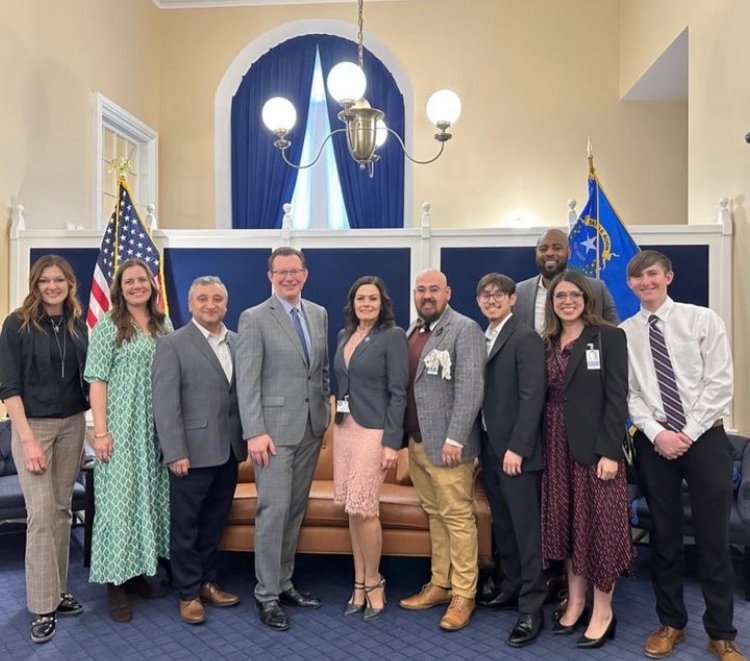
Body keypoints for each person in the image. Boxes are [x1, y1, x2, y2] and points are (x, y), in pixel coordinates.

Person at [620, 251, 745, 661]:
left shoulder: (702, 320)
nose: (645, 283)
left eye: (652, 274)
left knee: (713, 539)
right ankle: (671, 623)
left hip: (704, 438)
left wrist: (685, 434)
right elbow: (630, 395)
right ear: (630, 285)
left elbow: (720, 382)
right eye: (637, 278)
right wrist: (658, 434)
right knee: (665, 538)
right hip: (654, 443)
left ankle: (722, 633)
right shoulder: (624, 333)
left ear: (668, 276)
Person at [235, 247, 330, 632]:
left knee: (294, 510)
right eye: (281, 272)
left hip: (310, 428)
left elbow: (319, 371)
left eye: (295, 271)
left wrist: (322, 410)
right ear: (270, 276)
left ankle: (285, 582)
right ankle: (266, 595)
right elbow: (247, 380)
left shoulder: (318, 313)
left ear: (305, 274)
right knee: (273, 511)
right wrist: (255, 430)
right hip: (271, 433)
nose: (289, 277)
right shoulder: (254, 318)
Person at [541, 270, 632, 650]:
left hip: (596, 449)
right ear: (552, 302)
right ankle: (576, 602)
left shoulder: (608, 336)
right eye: (560, 295)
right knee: (568, 524)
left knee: (599, 526)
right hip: (555, 445)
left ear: (587, 298)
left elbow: (617, 397)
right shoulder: (546, 342)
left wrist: (611, 451)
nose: (567, 301)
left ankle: (603, 611)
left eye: (574, 295)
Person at [0, 255, 89, 644]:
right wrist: (27, 439)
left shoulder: (77, 324)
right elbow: (9, 388)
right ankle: (41, 606)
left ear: (70, 284)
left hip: (72, 425)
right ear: (35, 285)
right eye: (45, 281)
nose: (52, 287)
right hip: (32, 427)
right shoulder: (16, 325)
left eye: (60, 281)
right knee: (39, 515)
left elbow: (89, 382)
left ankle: (56, 591)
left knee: (62, 510)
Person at [152, 276, 247, 625]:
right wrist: (174, 450)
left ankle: (207, 581)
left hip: (229, 450)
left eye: (217, 299)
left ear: (226, 304)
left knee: (213, 523)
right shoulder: (172, 343)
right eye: (203, 299)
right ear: (191, 305)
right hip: (190, 453)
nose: (211, 305)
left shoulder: (238, 341)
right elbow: (165, 404)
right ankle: (188, 593)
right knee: (186, 527)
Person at [398, 269, 485, 632]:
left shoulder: (464, 329)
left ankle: (464, 594)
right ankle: (440, 583)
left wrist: (456, 438)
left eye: (434, 289)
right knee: (436, 516)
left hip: (449, 446)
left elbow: (470, 388)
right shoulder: (414, 331)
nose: (426, 295)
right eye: (421, 289)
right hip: (418, 443)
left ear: (447, 292)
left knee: (457, 518)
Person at [85, 258, 171, 623]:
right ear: (119, 288)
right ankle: (114, 585)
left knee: (147, 502)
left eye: (142, 280)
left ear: (152, 285)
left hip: (156, 429)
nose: (137, 286)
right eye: (129, 281)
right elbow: (97, 380)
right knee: (118, 506)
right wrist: (100, 433)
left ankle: (137, 575)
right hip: (120, 429)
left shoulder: (164, 325)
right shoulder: (109, 325)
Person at [475, 273, 548, 647]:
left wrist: (518, 448)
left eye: (498, 295)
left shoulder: (525, 338)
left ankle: (532, 607)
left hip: (516, 453)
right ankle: (512, 586)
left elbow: (533, 397)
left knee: (525, 530)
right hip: (489, 447)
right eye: (485, 295)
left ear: (512, 299)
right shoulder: (482, 337)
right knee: (503, 526)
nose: (491, 300)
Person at [332, 276, 408, 621]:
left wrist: (392, 442)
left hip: (374, 430)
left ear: (382, 303)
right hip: (345, 429)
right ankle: (359, 581)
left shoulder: (393, 337)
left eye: (372, 299)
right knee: (352, 509)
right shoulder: (344, 335)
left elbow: (399, 392)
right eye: (360, 298)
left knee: (365, 508)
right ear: (353, 302)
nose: (366, 304)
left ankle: (375, 581)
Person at [514, 228, 619, 333]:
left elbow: (614, 332)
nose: (549, 253)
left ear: (568, 252)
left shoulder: (596, 288)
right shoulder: (519, 292)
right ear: (536, 253)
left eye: (557, 248)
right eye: (543, 249)